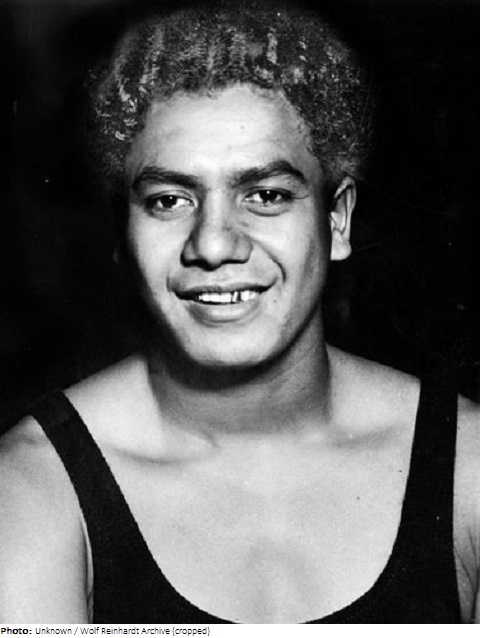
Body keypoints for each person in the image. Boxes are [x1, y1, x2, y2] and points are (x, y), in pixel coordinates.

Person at [0, 0, 479, 624]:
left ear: (336, 221)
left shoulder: (468, 465)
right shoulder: (32, 488)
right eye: (169, 200)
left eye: (266, 195)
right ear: (123, 232)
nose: (213, 245)